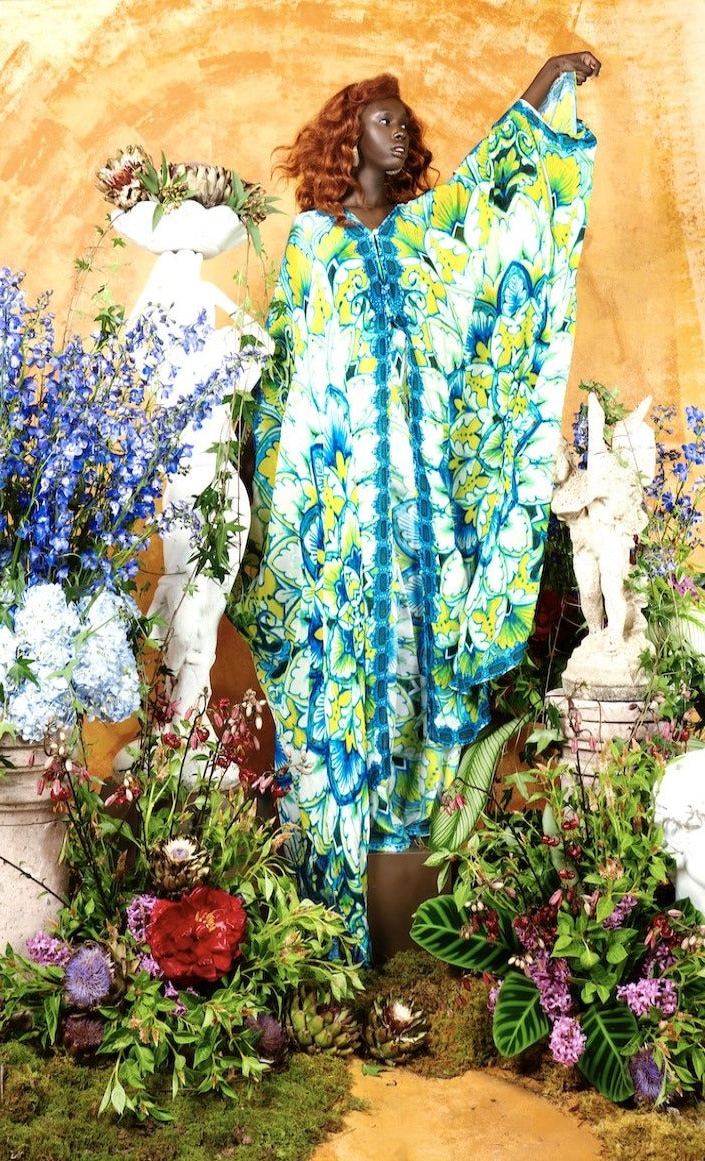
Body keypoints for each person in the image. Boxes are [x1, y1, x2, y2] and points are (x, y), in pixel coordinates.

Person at [229, 53, 599, 963]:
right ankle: (331, 934)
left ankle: (416, 933)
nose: (405, 134)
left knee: (419, 694)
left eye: (407, 126)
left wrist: (541, 89)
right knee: (343, 698)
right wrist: (260, 510)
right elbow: (284, 388)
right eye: (386, 122)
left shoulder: (435, 233)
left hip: (427, 523)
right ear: (347, 136)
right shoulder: (312, 246)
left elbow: (492, 200)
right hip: (342, 528)